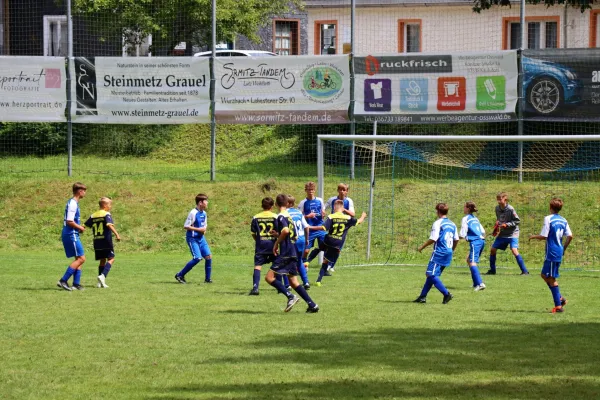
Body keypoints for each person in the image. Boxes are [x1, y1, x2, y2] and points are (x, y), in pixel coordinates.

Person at [265, 194, 319, 313]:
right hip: (293, 250)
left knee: (269, 277)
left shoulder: (280, 216)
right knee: (293, 281)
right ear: (286, 203)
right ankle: (312, 305)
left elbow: (285, 230)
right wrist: (277, 235)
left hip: (286, 252)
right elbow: (290, 234)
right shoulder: (289, 217)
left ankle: (290, 296)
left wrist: (276, 243)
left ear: (276, 204)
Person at [529, 198, 573, 313]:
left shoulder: (548, 218)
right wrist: (564, 247)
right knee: (544, 275)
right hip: (557, 250)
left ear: (550, 207)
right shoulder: (564, 220)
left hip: (552, 252)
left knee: (552, 278)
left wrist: (533, 236)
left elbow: (544, 236)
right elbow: (570, 236)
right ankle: (560, 298)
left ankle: (558, 306)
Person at [308, 200, 367, 286]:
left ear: (334, 208)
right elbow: (359, 221)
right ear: (343, 209)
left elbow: (324, 228)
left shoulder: (331, 216)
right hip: (338, 244)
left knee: (319, 248)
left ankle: (307, 261)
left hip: (329, 240)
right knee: (326, 262)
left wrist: (311, 227)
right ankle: (318, 281)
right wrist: (363, 216)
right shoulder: (348, 218)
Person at [413, 203, 458, 304]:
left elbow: (433, 238)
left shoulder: (438, 223)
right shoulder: (452, 224)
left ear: (438, 211)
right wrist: (452, 250)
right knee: (432, 275)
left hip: (439, 252)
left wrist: (422, 247)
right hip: (448, 252)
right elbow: (456, 239)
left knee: (430, 274)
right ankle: (422, 297)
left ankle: (447, 294)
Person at [486, 192, 529, 275]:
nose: (498, 201)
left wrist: (507, 224)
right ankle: (492, 270)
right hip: (502, 233)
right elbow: (499, 219)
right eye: (497, 199)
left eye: (500, 199)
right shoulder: (497, 209)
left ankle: (524, 271)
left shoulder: (510, 209)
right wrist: (497, 226)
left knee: (514, 250)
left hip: (513, 233)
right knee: (493, 250)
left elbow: (517, 221)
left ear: (505, 199)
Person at [84, 197, 122, 289]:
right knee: (111, 259)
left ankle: (100, 283)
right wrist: (117, 234)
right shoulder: (106, 214)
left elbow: (84, 226)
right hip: (106, 240)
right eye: (109, 204)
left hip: (97, 241)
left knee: (102, 260)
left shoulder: (93, 215)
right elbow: (109, 225)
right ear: (105, 205)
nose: (110, 206)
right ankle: (103, 275)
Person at [175, 193, 213, 284]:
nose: (207, 203)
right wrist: (198, 229)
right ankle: (180, 275)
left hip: (201, 238)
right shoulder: (193, 213)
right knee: (197, 258)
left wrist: (204, 230)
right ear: (200, 202)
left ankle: (207, 279)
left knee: (208, 257)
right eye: (206, 201)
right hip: (193, 239)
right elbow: (186, 226)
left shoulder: (204, 213)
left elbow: (205, 225)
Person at [57, 182, 87, 291]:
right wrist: (80, 227)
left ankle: (76, 283)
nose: (85, 193)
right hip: (71, 234)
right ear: (80, 191)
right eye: (84, 191)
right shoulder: (73, 203)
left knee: (78, 258)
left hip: (72, 233)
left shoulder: (73, 203)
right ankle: (63, 280)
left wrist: (79, 228)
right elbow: (69, 221)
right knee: (82, 258)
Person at [249, 197, 278, 295]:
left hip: (261, 246)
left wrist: (258, 240)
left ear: (262, 206)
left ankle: (255, 287)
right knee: (277, 266)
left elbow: (253, 233)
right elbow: (279, 231)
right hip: (273, 245)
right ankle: (281, 287)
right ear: (272, 206)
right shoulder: (275, 216)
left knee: (257, 266)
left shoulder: (256, 217)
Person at [459, 201, 486, 291]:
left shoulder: (465, 219)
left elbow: (462, 234)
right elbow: (483, 231)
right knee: (469, 260)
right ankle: (475, 284)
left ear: (467, 208)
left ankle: (480, 283)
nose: (463, 208)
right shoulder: (475, 218)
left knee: (472, 262)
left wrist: (455, 238)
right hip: (482, 240)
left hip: (475, 241)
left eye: (464, 207)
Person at [298, 182, 326, 268]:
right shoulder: (303, 203)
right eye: (309, 190)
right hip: (309, 230)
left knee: (326, 247)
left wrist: (323, 213)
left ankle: (325, 268)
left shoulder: (320, 200)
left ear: (315, 190)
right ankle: (303, 265)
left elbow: (323, 211)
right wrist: (307, 216)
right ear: (306, 190)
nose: (311, 191)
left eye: (312, 190)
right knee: (306, 251)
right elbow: (298, 216)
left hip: (320, 228)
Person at [287, 195, 311, 290]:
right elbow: (306, 227)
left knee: (286, 261)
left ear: (288, 203)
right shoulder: (299, 213)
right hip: (301, 239)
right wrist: (307, 239)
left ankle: (287, 285)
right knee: (299, 261)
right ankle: (306, 282)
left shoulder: (285, 213)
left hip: (292, 239)